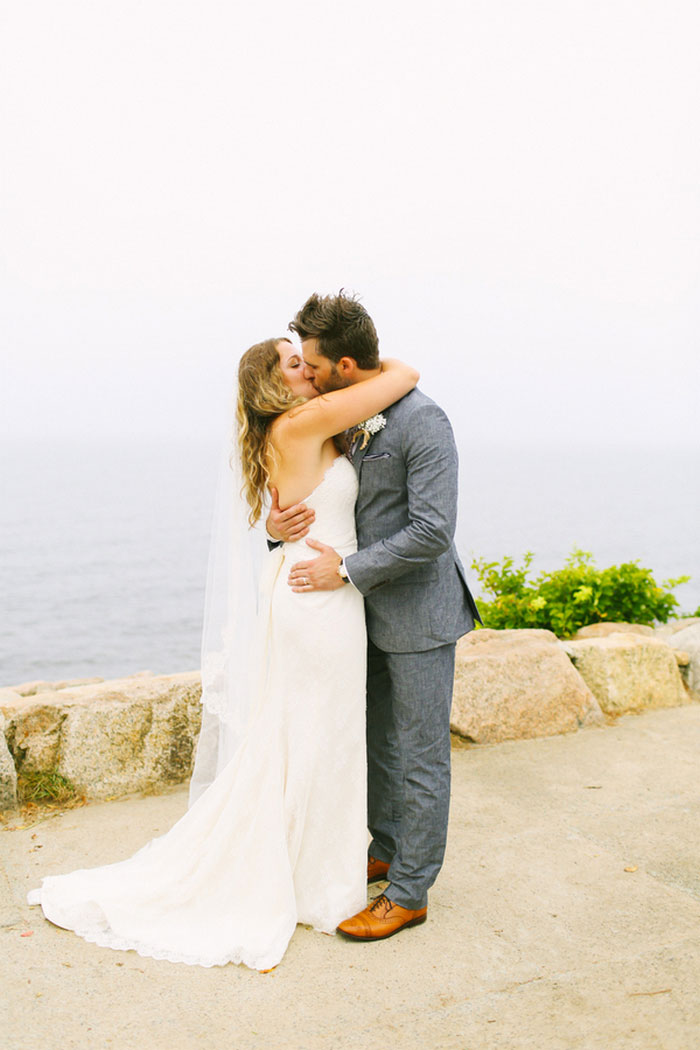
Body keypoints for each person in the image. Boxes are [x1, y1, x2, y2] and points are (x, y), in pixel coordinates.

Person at [27, 336, 419, 971]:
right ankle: (314, 881)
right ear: (272, 386)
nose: (310, 371)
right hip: (317, 602)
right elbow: (404, 373)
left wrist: (275, 529)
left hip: (315, 592)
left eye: (308, 361)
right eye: (297, 365)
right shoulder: (301, 422)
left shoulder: (285, 430)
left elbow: (291, 510)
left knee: (311, 737)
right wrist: (351, 365)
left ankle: (308, 866)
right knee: (322, 737)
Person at [268, 292, 481, 941]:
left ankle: (410, 891)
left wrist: (348, 571)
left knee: (419, 756)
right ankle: (384, 850)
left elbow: (432, 529)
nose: (305, 373)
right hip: (357, 619)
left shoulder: (423, 421)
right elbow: (319, 497)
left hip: (417, 616)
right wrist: (277, 530)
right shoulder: (345, 419)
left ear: (346, 365)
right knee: (379, 747)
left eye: (311, 363)